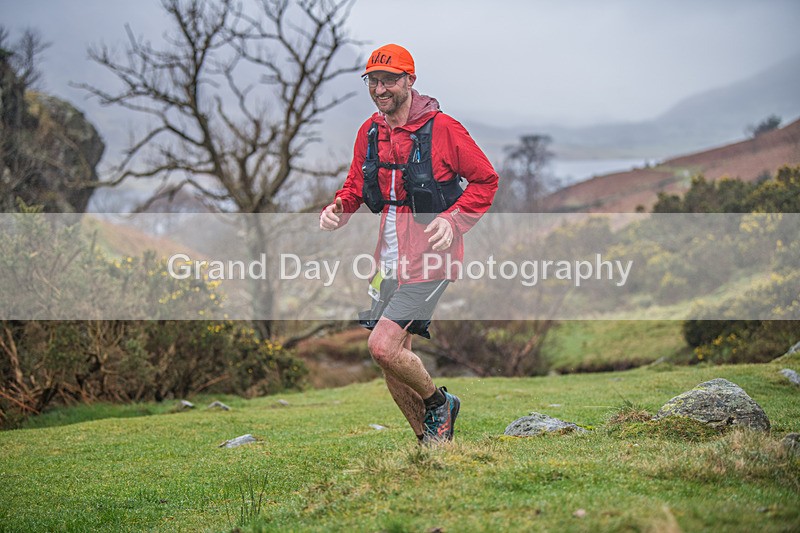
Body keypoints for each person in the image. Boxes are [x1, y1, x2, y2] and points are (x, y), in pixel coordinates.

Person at [320, 44, 498, 444]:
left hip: (430, 259)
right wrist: (338, 208)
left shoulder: (445, 130)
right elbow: (354, 185)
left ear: (409, 81)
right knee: (394, 361)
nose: (380, 89)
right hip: (386, 259)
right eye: (373, 80)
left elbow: (486, 181)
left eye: (389, 80)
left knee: (382, 347)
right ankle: (431, 444)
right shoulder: (369, 132)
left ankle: (439, 404)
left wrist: (454, 220)